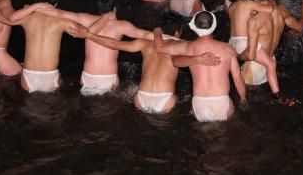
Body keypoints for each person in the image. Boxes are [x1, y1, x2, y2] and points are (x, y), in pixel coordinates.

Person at [68, 15, 221, 113]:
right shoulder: (183, 46)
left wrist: (88, 35)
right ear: (177, 32)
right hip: (166, 100)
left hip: (140, 98)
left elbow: (114, 44)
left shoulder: (144, 44)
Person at [156, 11, 247, 122]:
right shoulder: (227, 49)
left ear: (194, 27)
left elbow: (161, 49)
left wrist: (156, 32)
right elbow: (237, 79)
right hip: (221, 101)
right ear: (214, 26)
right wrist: (243, 98)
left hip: (199, 102)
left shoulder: (188, 47)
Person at [74, 0, 156, 96]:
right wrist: (173, 39)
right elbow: (146, 34)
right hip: (108, 79)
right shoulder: (122, 26)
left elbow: (62, 14)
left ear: (98, 7)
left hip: (88, 77)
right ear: (115, 8)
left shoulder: (85, 19)